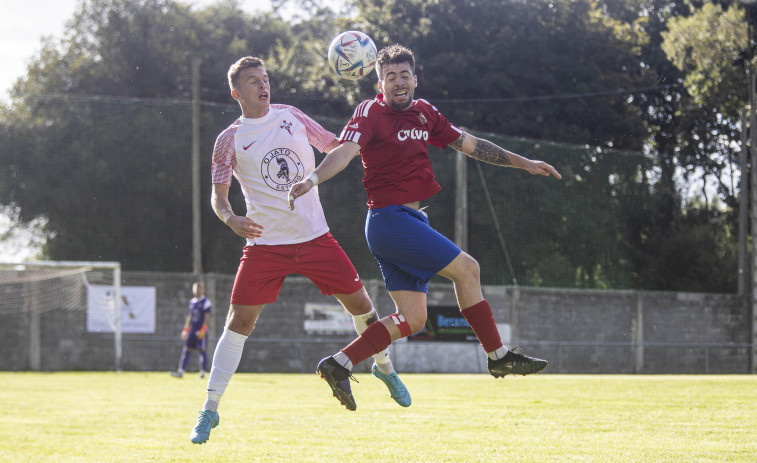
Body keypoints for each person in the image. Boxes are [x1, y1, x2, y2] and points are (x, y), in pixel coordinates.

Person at [289, 44, 562, 410]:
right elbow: (344, 151)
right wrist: (312, 179)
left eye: (404, 75)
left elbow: (472, 145)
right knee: (468, 270)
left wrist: (524, 162)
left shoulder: (425, 112)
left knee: (414, 320)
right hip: (389, 221)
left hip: (407, 221)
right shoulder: (370, 112)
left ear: (415, 79)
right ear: (379, 84)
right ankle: (498, 355)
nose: (398, 82)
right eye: (390, 77)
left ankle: (338, 363)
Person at [189, 56, 411, 445]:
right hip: (264, 245)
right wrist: (230, 219)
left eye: (265, 78)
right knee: (238, 322)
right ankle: (209, 409)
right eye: (253, 81)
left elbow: (335, 146)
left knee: (363, 307)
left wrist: (376, 132)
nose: (263, 85)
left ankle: (384, 367)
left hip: (314, 237)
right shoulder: (229, 139)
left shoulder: (291, 115)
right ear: (236, 92)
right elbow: (218, 195)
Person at [170, 281, 212, 379]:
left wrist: (204, 329)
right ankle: (180, 371)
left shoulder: (206, 302)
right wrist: (186, 330)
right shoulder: (192, 302)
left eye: (200, 288)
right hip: (192, 330)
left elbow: (207, 317)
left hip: (201, 330)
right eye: (196, 288)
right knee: (186, 350)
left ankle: (202, 373)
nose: (198, 290)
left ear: (203, 290)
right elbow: (190, 317)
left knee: (202, 350)